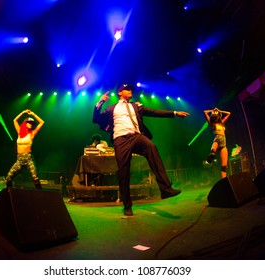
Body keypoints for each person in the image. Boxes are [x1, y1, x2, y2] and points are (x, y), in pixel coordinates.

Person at [93, 84, 190, 216]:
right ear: (120, 93)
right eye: (128, 89)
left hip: (137, 136)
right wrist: (101, 102)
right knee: (123, 171)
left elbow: (153, 112)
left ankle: (165, 189)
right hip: (120, 140)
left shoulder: (136, 105)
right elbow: (95, 119)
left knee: (151, 147)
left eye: (132, 90)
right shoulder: (111, 108)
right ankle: (127, 205)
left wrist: (174, 113)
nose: (131, 91)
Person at [5, 109, 44, 190]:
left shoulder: (32, 133)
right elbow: (15, 120)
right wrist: (23, 112)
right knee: (8, 177)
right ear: (25, 123)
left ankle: (40, 194)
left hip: (28, 158)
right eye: (29, 122)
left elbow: (42, 122)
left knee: (35, 177)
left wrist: (33, 114)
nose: (30, 124)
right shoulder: (19, 132)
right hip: (19, 159)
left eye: (32, 123)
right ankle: (9, 193)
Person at [204, 107, 231, 178]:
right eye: (214, 113)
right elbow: (205, 112)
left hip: (224, 143)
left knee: (224, 165)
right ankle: (210, 157)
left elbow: (229, 113)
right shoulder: (211, 122)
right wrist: (212, 110)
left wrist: (219, 110)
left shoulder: (221, 122)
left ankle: (224, 179)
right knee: (212, 153)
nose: (215, 112)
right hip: (218, 138)